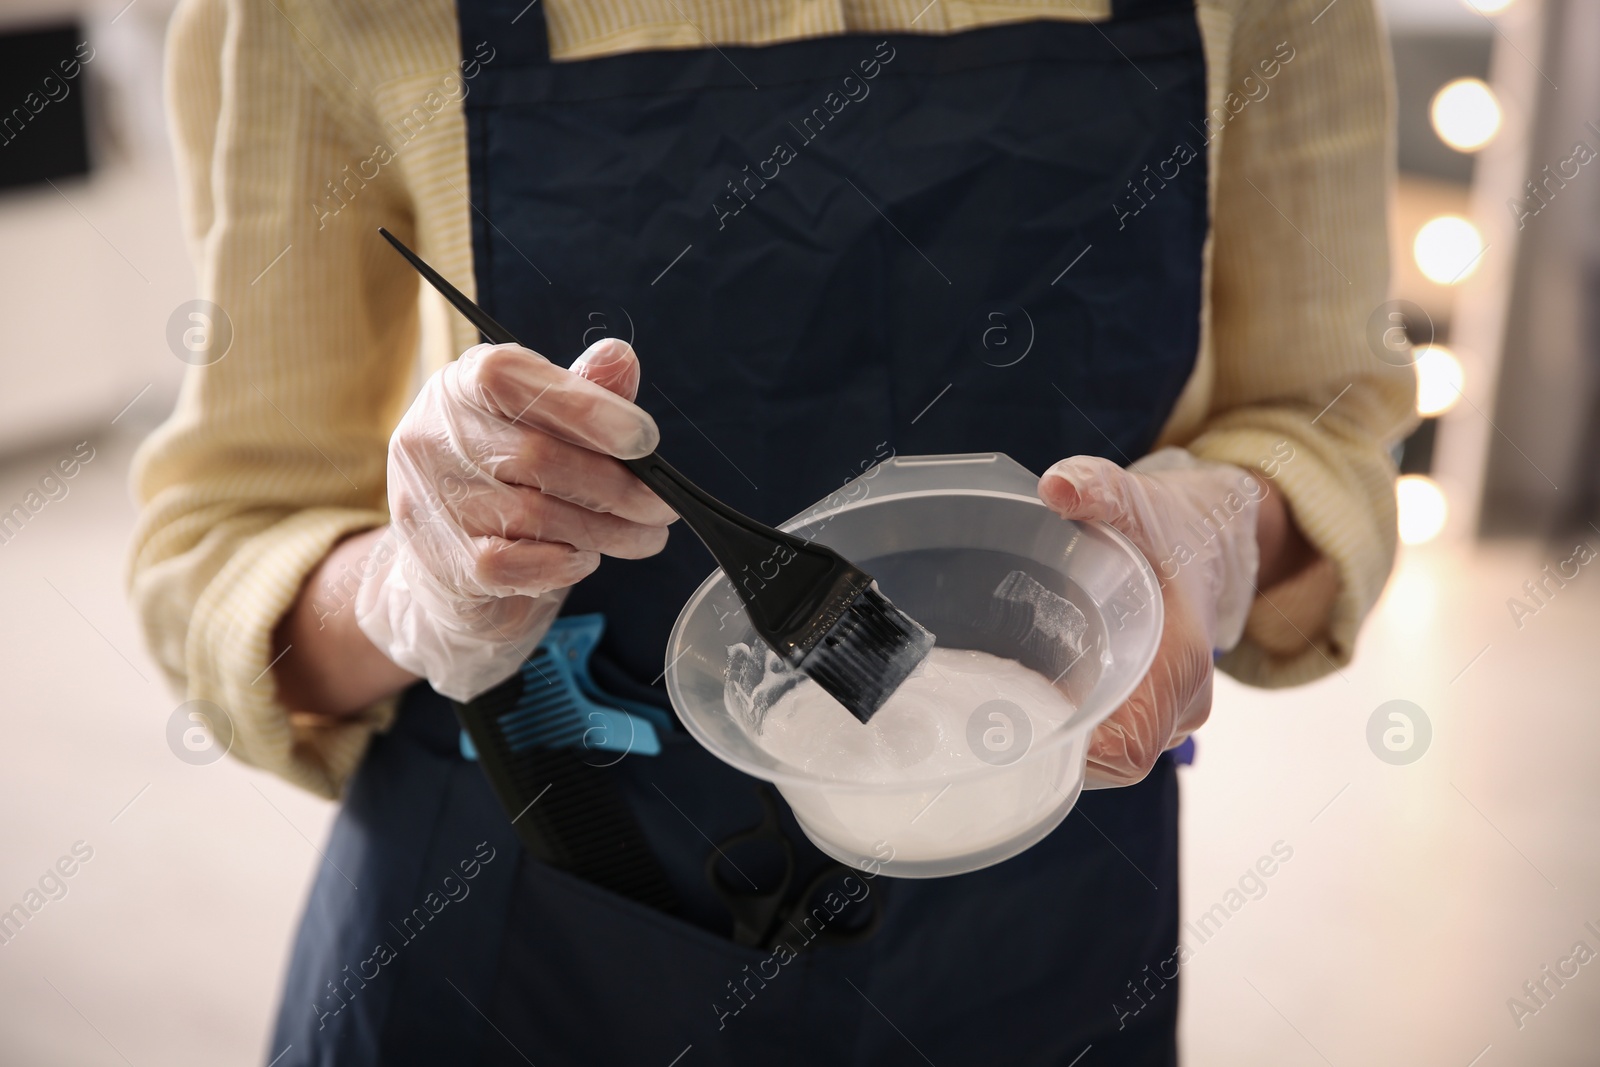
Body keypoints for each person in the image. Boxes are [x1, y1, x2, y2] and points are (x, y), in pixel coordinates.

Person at [130, 0, 1415, 1062]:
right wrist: (414, 586)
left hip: (1046, 924)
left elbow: (1325, 426)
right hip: (527, 924)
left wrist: (1216, 538)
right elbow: (223, 546)